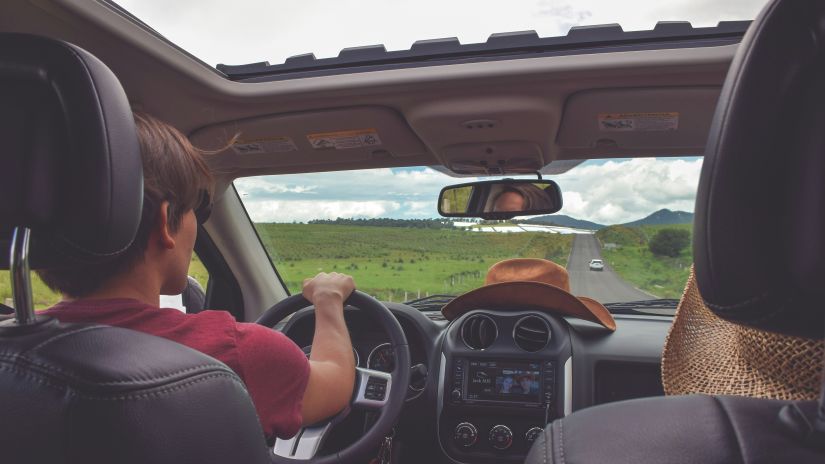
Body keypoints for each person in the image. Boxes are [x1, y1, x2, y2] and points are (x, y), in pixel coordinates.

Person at [37, 112, 356, 441]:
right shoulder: (236, 354)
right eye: (198, 209)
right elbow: (336, 383)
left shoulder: (13, 352)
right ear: (165, 222)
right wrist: (328, 300)